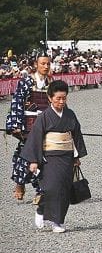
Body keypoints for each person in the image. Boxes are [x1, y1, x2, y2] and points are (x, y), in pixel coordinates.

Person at [21, 80, 87, 233]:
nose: (61, 101)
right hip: (49, 157)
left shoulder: (70, 114)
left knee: (63, 189)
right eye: (58, 98)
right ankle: (41, 210)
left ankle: (57, 222)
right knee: (51, 187)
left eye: (64, 98)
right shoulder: (44, 116)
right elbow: (35, 138)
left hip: (67, 156)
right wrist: (33, 160)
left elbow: (76, 135)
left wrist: (77, 157)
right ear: (50, 98)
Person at [5, 51, 52, 202]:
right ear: (35, 65)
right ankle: (20, 183)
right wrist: (15, 125)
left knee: (45, 157)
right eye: (42, 63)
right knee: (26, 155)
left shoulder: (51, 83)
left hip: (46, 124)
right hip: (29, 125)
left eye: (48, 64)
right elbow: (17, 103)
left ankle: (41, 191)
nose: (46, 66)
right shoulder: (26, 82)